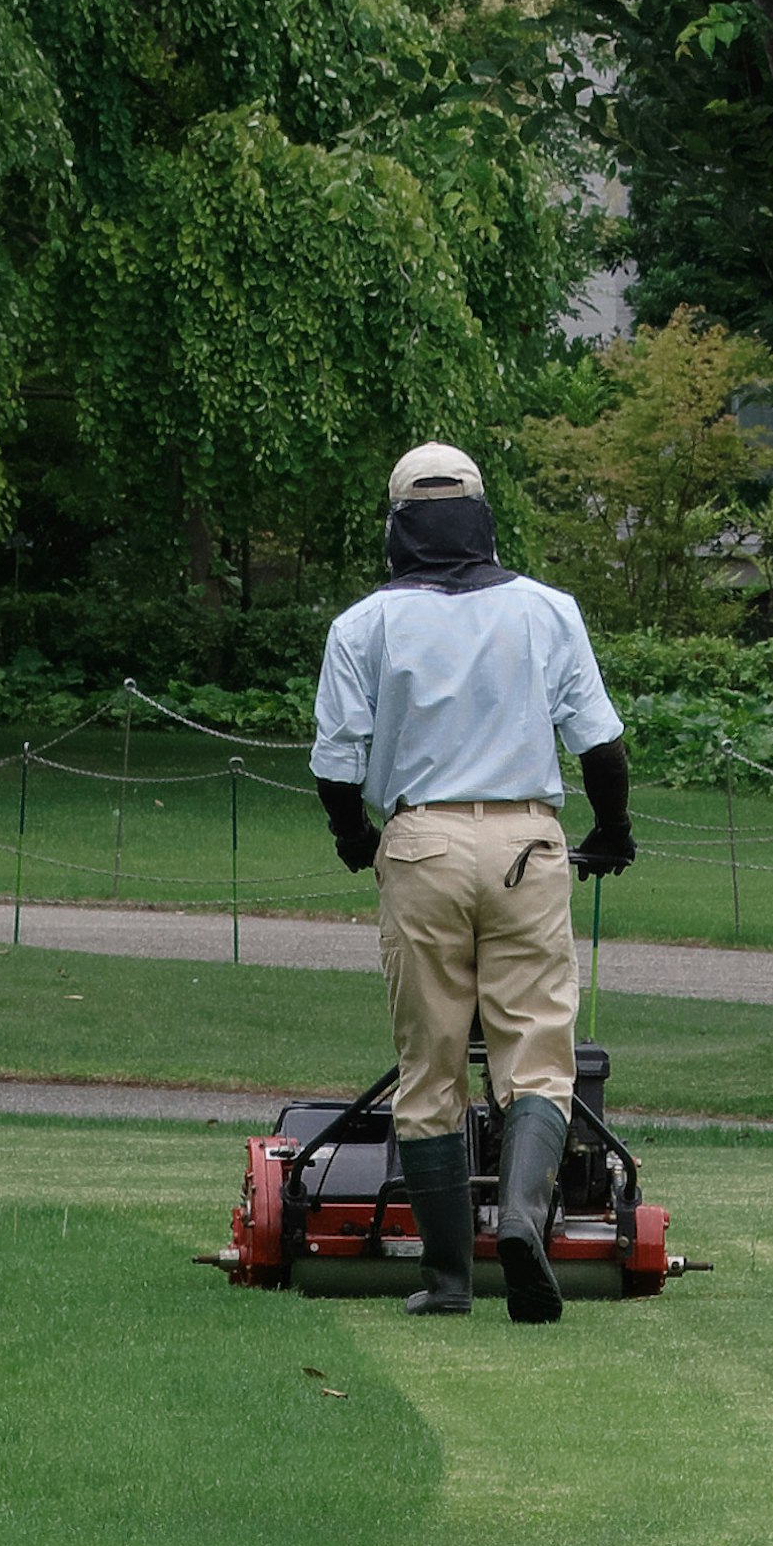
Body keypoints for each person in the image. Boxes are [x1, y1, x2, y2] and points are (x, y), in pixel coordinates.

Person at [310, 440, 635, 1324]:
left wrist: (355, 839)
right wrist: (613, 829)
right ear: (482, 516)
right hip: (527, 838)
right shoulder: (546, 610)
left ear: (398, 524)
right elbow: (599, 742)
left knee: (432, 1063)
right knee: (537, 1052)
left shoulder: (363, 625)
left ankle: (450, 1278)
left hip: (421, 843)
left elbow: (336, 764)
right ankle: (525, 1220)